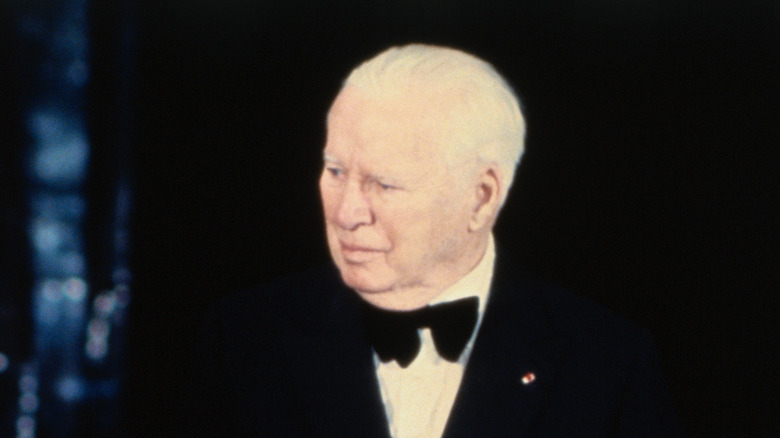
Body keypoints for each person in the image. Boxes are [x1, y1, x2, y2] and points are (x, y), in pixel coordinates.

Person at [191, 44, 682, 437]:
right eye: (335, 171)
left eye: (384, 184)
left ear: (481, 198)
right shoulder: (243, 339)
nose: (346, 213)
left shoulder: (607, 363)